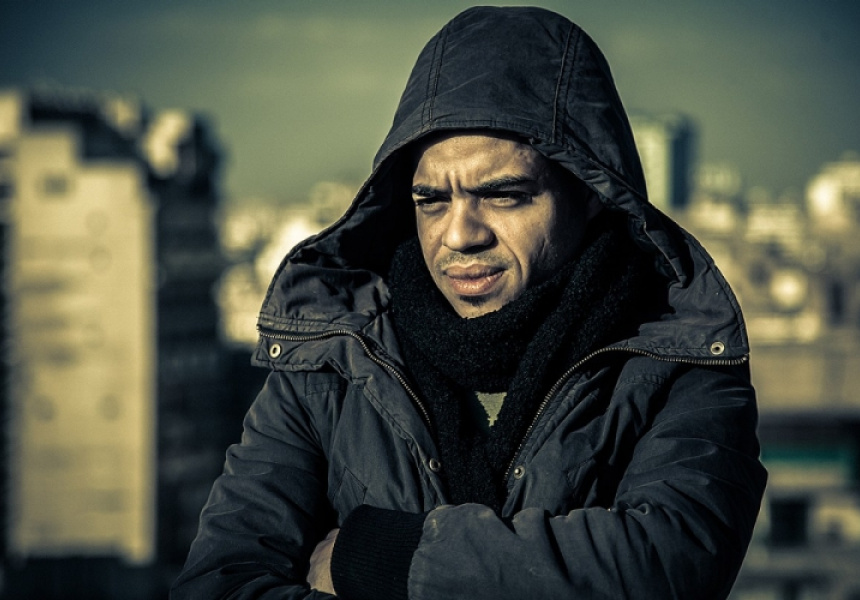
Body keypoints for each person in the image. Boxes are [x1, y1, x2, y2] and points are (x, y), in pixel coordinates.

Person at [172, 6, 767, 600]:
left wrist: (379, 557)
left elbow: (668, 565)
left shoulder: (677, 357)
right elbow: (220, 584)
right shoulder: (333, 358)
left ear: (590, 193)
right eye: (431, 201)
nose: (459, 235)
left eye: (503, 195)